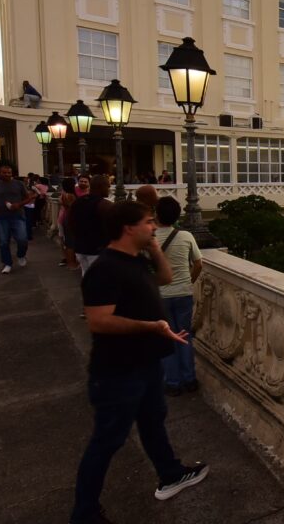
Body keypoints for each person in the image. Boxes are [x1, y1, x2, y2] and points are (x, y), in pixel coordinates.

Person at [70, 200, 208, 523]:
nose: (153, 226)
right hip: (119, 370)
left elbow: (166, 277)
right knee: (108, 440)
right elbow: (99, 321)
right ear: (128, 228)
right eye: (147, 222)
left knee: (153, 421)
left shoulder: (136, 260)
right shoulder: (105, 268)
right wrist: (152, 326)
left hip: (145, 364)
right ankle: (84, 513)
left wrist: (155, 247)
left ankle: (170, 473)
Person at [154, 197, 203, 395]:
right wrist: (188, 282)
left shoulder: (150, 238)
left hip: (161, 295)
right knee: (184, 335)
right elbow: (198, 264)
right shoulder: (186, 236)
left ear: (157, 214)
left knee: (167, 338)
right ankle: (189, 379)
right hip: (183, 293)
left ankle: (173, 383)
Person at [0, 164, 34, 274]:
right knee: (3, 242)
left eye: (9, 173)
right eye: (4, 173)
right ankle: (7, 263)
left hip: (17, 216)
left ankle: (21, 255)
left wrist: (18, 204)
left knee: (22, 239)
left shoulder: (19, 184)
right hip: (1, 217)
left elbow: (28, 198)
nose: (7, 174)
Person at [68, 175, 112, 275]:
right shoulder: (105, 204)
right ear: (101, 187)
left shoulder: (77, 202)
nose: (109, 190)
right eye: (108, 187)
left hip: (80, 248)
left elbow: (70, 223)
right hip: (97, 250)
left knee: (86, 275)